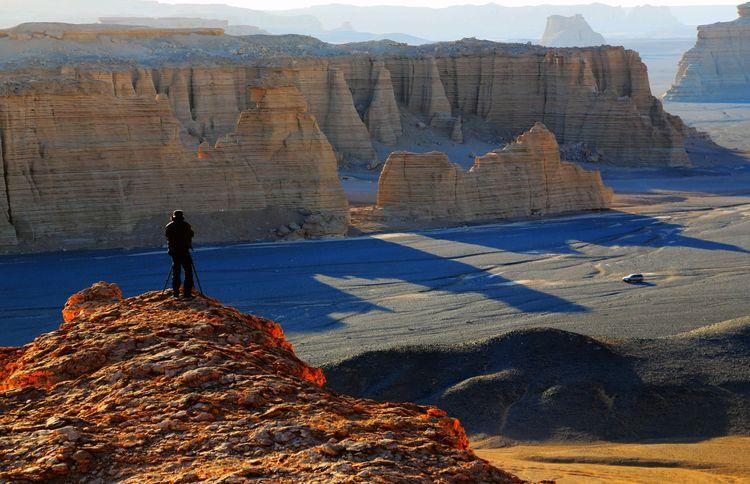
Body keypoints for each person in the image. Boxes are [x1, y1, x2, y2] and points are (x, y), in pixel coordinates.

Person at [165, 210, 195, 299]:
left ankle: (176, 293)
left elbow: (167, 236)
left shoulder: (169, 226)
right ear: (182, 216)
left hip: (174, 252)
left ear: (173, 216)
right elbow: (191, 234)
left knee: (176, 272)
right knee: (188, 272)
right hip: (184, 251)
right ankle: (187, 293)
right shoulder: (186, 225)